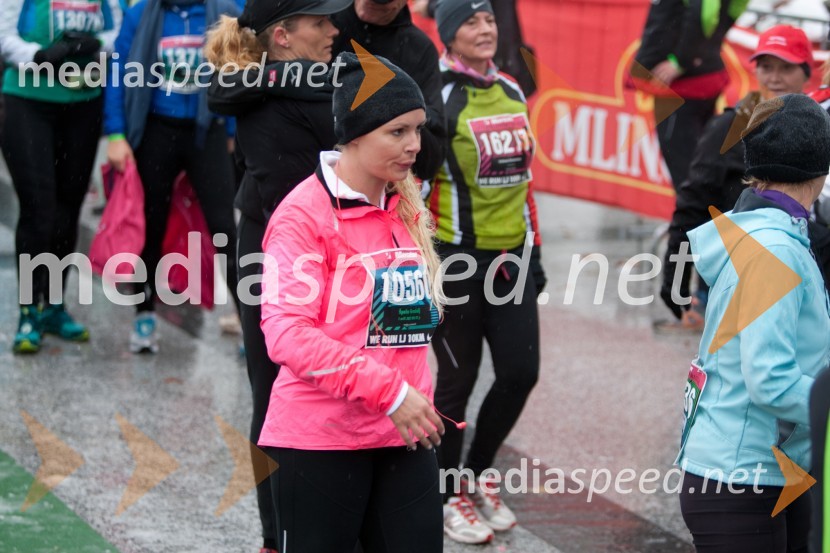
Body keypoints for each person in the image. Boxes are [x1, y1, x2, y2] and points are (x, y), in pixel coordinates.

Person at [258, 51, 447, 553]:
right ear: (354, 135)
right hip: (321, 440)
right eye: (397, 132)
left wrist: (412, 394)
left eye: (418, 130)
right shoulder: (303, 216)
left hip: (403, 435)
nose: (413, 146)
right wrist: (389, 392)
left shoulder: (403, 201)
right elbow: (287, 334)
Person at [204, 0, 349, 550]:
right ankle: (275, 536)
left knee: (344, 387)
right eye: (321, 23)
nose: (335, 30)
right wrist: (287, 79)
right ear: (284, 36)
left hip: (339, 254)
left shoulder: (324, 77)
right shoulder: (266, 91)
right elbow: (222, 92)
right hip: (267, 253)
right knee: (274, 393)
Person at [677, 93, 830, 552]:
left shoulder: (770, 232)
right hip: (741, 478)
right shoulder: (775, 249)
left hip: (759, 469)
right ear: (820, 170)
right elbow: (769, 377)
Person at [427, 0, 544, 544]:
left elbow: (524, 182)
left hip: (512, 257)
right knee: (456, 382)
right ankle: (448, 492)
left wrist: (535, 252)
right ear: (449, 35)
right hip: (457, 259)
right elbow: (417, 186)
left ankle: (475, 473)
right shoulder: (439, 95)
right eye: (470, 22)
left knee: (521, 372)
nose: (484, 30)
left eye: (490, 19)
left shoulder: (514, 90)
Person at [658, 25, 816, 328]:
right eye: (767, 67)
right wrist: (675, 288)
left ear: (807, 73)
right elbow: (692, 206)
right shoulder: (730, 127)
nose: (775, 77)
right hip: (736, 281)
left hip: (806, 278)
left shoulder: (819, 127)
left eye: (787, 67)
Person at [104, 0, 240, 353]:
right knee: (151, 225)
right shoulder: (142, 14)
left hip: (205, 130)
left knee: (225, 228)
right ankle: (144, 314)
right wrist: (116, 134)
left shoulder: (225, 12)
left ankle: (249, 322)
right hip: (155, 130)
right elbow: (118, 72)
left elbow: (242, 70)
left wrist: (233, 129)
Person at [1, 0, 117, 353]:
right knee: (39, 209)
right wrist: (40, 55)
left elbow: (119, 33)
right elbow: (4, 37)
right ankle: (27, 311)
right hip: (29, 101)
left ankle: (52, 305)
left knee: (69, 209)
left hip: (83, 104)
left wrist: (96, 44)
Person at [631, 0, 747, 190]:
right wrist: (714, 38)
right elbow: (736, 6)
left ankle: (694, 217)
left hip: (682, 86)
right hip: (700, 76)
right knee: (701, 160)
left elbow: (706, 13)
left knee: (686, 168)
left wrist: (682, 60)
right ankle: (701, 215)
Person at [330, 0, 446, 181]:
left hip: (388, 190)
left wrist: (399, 112)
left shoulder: (418, 49)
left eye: (381, 3)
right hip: (318, 177)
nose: (367, 5)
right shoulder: (325, 27)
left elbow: (432, 159)